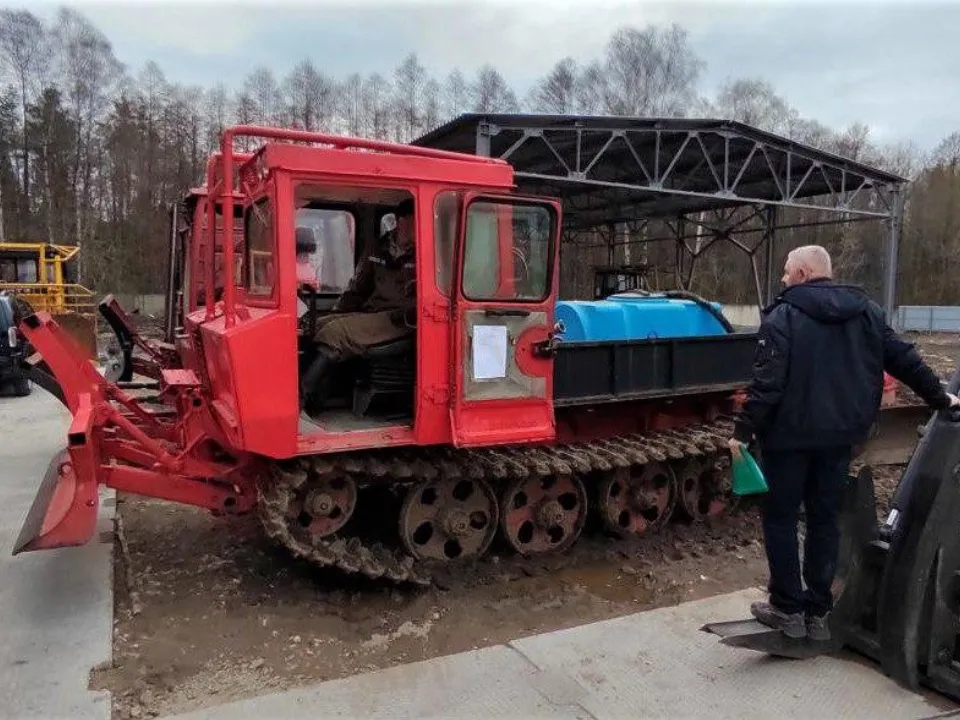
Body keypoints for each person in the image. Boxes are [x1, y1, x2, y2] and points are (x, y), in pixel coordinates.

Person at [728, 245, 960, 642]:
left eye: (786, 271)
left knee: (781, 517)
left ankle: (787, 608)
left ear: (802, 273)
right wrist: (941, 399)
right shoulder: (866, 312)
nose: (782, 278)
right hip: (841, 439)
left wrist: (743, 433)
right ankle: (817, 612)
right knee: (824, 519)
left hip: (788, 440)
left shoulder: (783, 315)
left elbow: (768, 384)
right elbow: (905, 360)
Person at [300, 198, 416, 412]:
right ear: (401, 221)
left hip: (401, 318)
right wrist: (339, 311)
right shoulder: (378, 248)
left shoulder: (426, 253)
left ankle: (304, 397)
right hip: (374, 312)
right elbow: (358, 288)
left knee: (336, 333)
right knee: (317, 325)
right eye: (413, 221)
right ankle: (320, 392)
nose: (418, 228)